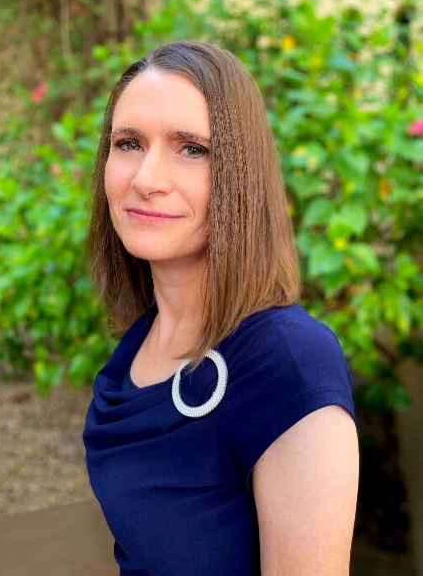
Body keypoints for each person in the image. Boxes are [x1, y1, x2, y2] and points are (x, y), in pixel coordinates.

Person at [82, 40, 359, 576]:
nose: (147, 179)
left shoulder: (288, 364)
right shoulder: (141, 343)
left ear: (241, 176)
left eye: (192, 149)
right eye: (129, 143)